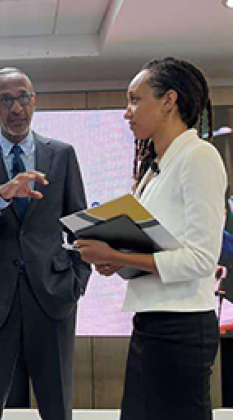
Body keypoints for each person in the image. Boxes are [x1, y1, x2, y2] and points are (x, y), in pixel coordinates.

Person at [75, 57, 226, 420]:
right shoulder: (155, 168)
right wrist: (117, 259)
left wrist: (121, 256)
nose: (127, 113)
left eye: (134, 100)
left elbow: (202, 260)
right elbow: (159, 246)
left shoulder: (199, 157)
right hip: (152, 320)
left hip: (183, 326)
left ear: (168, 101)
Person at [0, 67, 91, 420]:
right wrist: (1, 194)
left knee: (57, 406)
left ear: (34, 100)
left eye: (23, 97)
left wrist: (76, 283)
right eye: (6, 100)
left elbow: (80, 226)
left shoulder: (62, 154)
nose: (16, 108)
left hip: (53, 296)